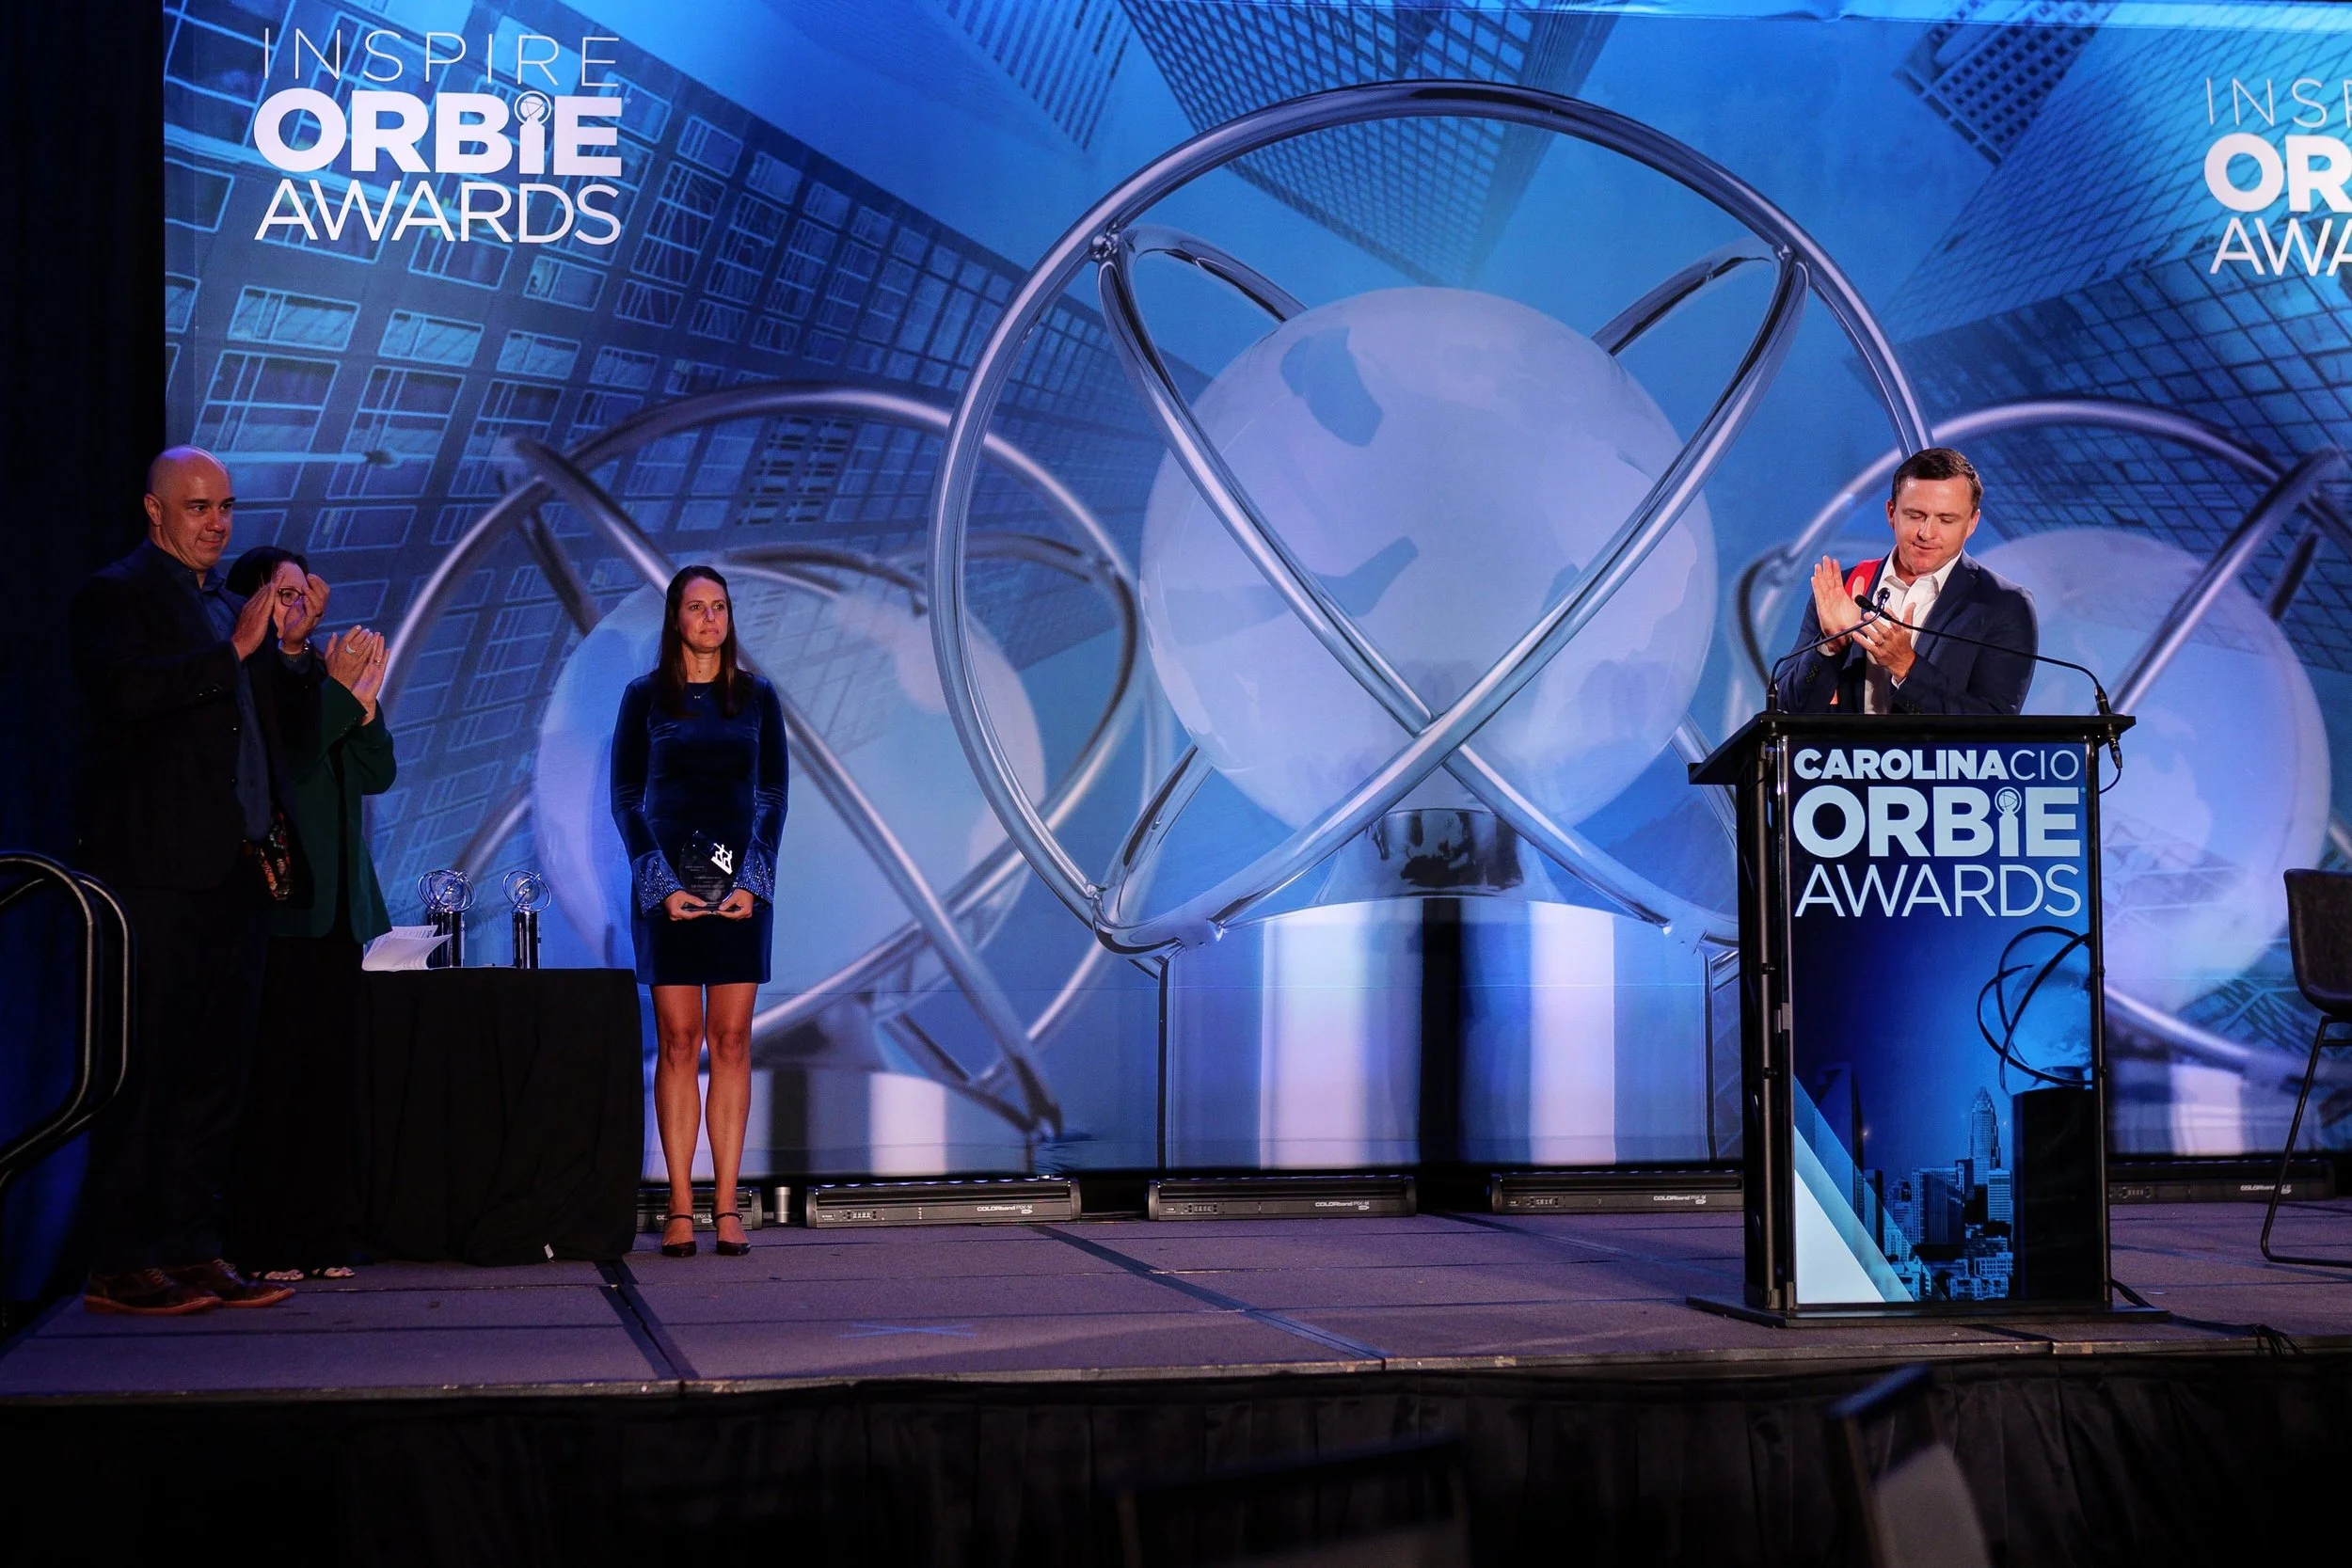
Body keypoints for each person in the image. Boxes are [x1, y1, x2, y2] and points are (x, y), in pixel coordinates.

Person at [70, 447, 326, 1314]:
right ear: (155, 510)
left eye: (225, 507)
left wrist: (290, 652)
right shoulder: (116, 595)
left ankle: (191, 1245)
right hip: (155, 873)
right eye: (197, 507)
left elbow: (282, 736)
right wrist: (235, 650)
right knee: (148, 1068)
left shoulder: (224, 605)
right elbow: (125, 695)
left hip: (234, 872)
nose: (217, 522)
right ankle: (120, 1258)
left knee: (216, 1071)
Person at [221, 546, 395, 1283]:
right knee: (278, 1080)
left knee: (332, 1081)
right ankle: (264, 1240)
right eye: (282, 594)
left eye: (303, 593)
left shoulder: (324, 678)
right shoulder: (248, 678)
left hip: (339, 910)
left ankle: (326, 1234)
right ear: (251, 605)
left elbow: (378, 771)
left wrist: (365, 704)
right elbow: (287, 762)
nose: (298, 606)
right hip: (282, 907)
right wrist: (340, 696)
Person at [610, 567, 787, 1259]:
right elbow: (627, 798)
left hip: (741, 889)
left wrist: (755, 882)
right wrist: (658, 884)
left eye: (720, 607)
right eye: (696, 607)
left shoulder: (758, 697)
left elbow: (772, 796)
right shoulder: (644, 696)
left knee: (732, 1039)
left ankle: (728, 1205)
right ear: (675, 618)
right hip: (668, 889)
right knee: (680, 1040)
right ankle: (681, 1206)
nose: (710, 618)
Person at [1772, 446, 2039, 717]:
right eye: (1915, 516)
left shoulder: (2004, 605)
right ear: (1891, 513)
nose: (1927, 533)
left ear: (1972, 523)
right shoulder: (1844, 588)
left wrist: (1907, 668)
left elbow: (1995, 727)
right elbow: (1784, 711)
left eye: (1946, 520)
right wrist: (1830, 646)